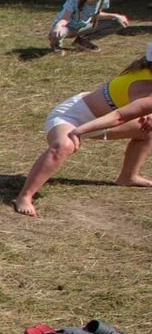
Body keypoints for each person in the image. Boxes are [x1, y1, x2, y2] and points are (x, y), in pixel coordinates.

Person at [13, 44, 152, 216]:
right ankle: (24, 196)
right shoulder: (146, 88)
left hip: (100, 121)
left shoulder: (145, 67)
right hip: (69, 117)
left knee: (148, 131)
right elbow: (118, 117)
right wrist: (79, 131)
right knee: (64, 145)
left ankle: (128, 177)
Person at [50, 0, 131, 53]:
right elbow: (65, 19)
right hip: (68, 27)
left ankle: (82, 41)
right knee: (56, 32)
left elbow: (95, 15)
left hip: (83, 26)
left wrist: (116, 16)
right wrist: (58, 26)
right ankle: (56, 45)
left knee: (119, 22)